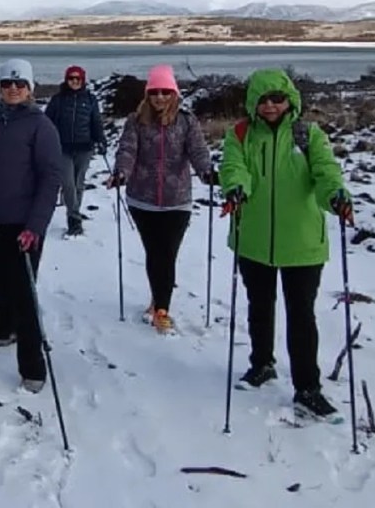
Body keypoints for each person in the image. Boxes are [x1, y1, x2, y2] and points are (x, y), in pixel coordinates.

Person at [219, 68, 353, 418]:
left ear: (289, 99)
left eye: (277, 98)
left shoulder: (309, 135)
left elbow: (326, 172)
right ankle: (262, 364)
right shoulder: (240, 134)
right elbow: (233, 168)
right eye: (262, 99)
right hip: (253, 237)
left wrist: (336, 196)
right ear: (253, 102)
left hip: (302, 242)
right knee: (259, 306)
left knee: (301, 314)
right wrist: (236, 188)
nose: (270, 106)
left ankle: (308, 388)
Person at [0, 59, 62, 393]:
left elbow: (51, 179)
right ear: (0, 87)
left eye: (20, 84)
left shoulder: (41, 126)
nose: (13, 89)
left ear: (30, 88)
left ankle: (33, 367)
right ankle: (5, 331)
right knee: (0, 280)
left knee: (24, 294)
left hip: (24, 225)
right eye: (7, 84)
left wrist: (36, 226)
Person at [106, 64, 214, 334]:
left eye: (165, 91)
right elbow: (127, 150)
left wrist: (207, 172)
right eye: (154, 92)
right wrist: (121, 173)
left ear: (174, 93)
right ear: (148, 94)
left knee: (167, 254)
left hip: (177, 200)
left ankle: (161, 309)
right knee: (155, 253)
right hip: (142, 199)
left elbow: (198, 151)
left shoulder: (187, 121)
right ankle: (158, 299)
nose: (160, 97)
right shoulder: (136, 121)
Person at [43, 65, 107, 238]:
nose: (74, 81)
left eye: (78, 78)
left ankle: (74, 212)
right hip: (62, 148)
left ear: (83, 80)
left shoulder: (90, 99)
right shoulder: (58, 99)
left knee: (78, 183)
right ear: (66, 80)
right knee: (68, 184)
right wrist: (45, 141)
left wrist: (101, 140)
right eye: (71, 78)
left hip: (84, 148)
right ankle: (73, 218)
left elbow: (96, 121)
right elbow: (47, 122)